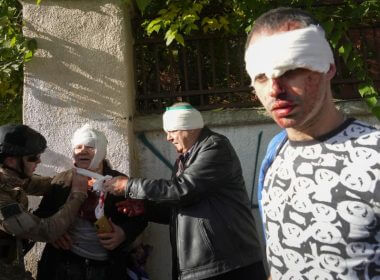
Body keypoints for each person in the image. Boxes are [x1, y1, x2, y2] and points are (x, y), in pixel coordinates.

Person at [244, 7, 380, 279]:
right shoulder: (275, 153)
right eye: (261, 77)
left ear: (328, 67)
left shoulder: (374, 155)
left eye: (291, 70)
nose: (274, 90)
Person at [104, 102, 266, 280]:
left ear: (188, 127)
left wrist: (129, 186)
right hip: (205, 266)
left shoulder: (215, 147)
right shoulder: (185, 160)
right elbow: (182, 205)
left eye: (171, 131)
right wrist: (146, 208)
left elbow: (183, 189)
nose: (168, 138)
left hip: (228, 265)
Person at [34, 124, 147, 280]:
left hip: (107, 268)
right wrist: (53, 234)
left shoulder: (120, 182)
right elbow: (42, 214)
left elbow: (140, 218)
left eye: (90, 147)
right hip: (63, 266)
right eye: (78, 147)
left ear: (101, 151)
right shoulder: (61, 181)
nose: (83, 151)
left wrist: (123, 233)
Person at [0, 124, 88, 278]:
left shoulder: (12, 178)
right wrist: (78, 195)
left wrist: (79, 171)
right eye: (33, 158)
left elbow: (50, 184)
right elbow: (47, 231)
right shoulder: (2, 201)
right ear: (11, 161)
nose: (39, 161)